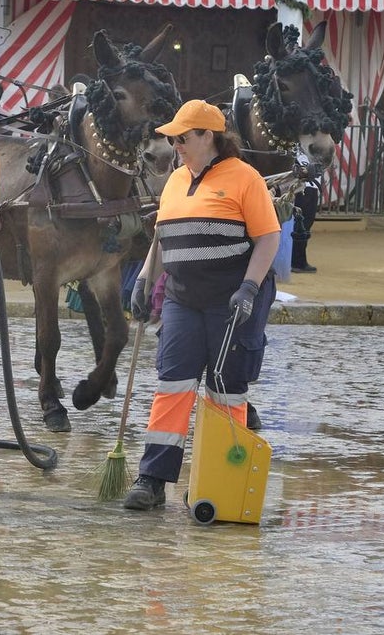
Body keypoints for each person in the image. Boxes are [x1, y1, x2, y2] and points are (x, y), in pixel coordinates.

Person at [126, 99, 281, 511]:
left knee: (224, 389)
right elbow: (162, 236)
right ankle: (153, 478)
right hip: (182, 298)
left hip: (230, 298)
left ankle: (215, 478)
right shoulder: (176, 179)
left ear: (207, 136)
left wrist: (249, 288)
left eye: (182, 137)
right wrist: (144, 279)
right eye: (173, 137)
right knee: (172, 383)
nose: (175, 143)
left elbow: (268, 238)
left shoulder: (245, 178)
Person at [290, 149, 321, 272]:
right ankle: (298, 261)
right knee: (302, 225)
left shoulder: (312, 151)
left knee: (304, 225)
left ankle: (298, 259)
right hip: (304, 188)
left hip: (310, 188)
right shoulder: (298, 150)